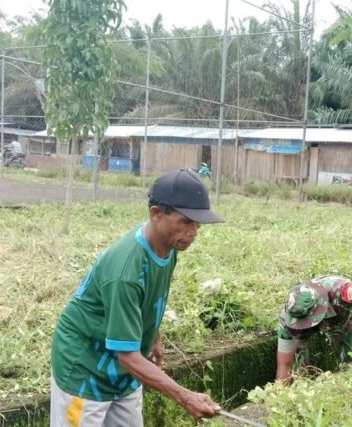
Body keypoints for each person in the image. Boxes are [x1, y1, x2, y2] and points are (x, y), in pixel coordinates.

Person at [50, 169, 225, 426]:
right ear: (156, 214)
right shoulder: (125, 270)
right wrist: (185, 397)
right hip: (85, 370)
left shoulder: (168, 246)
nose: (194, 231)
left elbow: (147, 300)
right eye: (186, 221)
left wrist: (153, 335)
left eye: (198, 223)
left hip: (125, 369)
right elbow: (128, 356)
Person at [275, 275, 352, 385]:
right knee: (298, 370)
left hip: (345, 317)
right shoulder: (287, 321)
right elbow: (284, 364)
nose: (306, 325)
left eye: (308, 320)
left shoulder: (344, 292)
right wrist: (279, 396)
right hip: (309, 320)